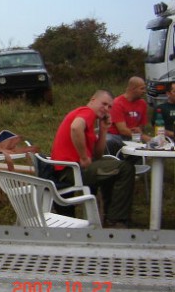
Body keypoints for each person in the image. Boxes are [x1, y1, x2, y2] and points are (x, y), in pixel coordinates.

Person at [50, 90, 135, 228]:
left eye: (109, 107)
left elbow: (97, 155)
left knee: (115, 165)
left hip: (72, 169)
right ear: (93, 99)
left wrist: (103, 130)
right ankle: (115, 220)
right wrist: (83, 157)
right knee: (126, 169)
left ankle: (109, 216)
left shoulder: (90, 120)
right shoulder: (87, 112)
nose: (106, 109)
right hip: (70, 170)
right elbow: (75, 127)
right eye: (104, 104)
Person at [106, 76, 150, 154]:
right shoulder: (118, 103)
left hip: (134, 136)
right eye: (142, 89)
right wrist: (142, 136)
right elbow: (122, 130)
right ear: (133, 89)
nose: (144, 91)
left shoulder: (142, 103)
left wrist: (139, 131)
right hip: (117, 136)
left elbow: (141, 126)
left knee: (151, 143)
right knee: (109, 140)